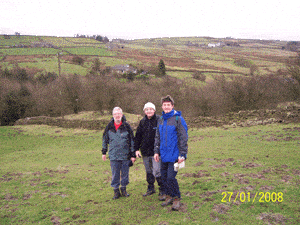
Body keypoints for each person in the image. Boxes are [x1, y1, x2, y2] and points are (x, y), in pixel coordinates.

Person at [154, 95, 188, 211]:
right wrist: (156, 152)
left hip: (174, 155)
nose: (166, 107)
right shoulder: (161, 120)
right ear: (162, 106)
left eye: (168, 105)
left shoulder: (178, 119)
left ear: (172, 106)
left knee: (170, 178)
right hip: (163, 155)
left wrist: (182, 154)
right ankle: (168, 196)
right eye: (164, 105)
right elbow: (157, 137)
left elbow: (183, 138)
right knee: (163, 177)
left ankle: (176, 198)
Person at [102, 107, 136, 200]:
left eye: (119, 114)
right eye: (115, 114)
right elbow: (105, 140)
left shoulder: (127, 126)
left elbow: (132, 141)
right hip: (113, 155)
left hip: (125, 155)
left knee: (125, 173)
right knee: (115, 173)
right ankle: (116, 191)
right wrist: (104, 152)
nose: (117, 116)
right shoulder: (109, 127)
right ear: (113, 116)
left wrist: (133, 155)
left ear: (122, 115)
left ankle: (124, 189)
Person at [134, 102, 163, 197]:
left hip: (156, 151)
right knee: (148, 170)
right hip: (145, 151)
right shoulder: (142, 122)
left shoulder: (159, 120)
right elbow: (138, 136)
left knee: (157, 170)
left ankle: (162, 189)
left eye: (151, 109)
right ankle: (151, 188)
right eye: (147, 109)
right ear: (144, 111)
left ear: (154, 110)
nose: (149, 111)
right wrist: (136, 149)